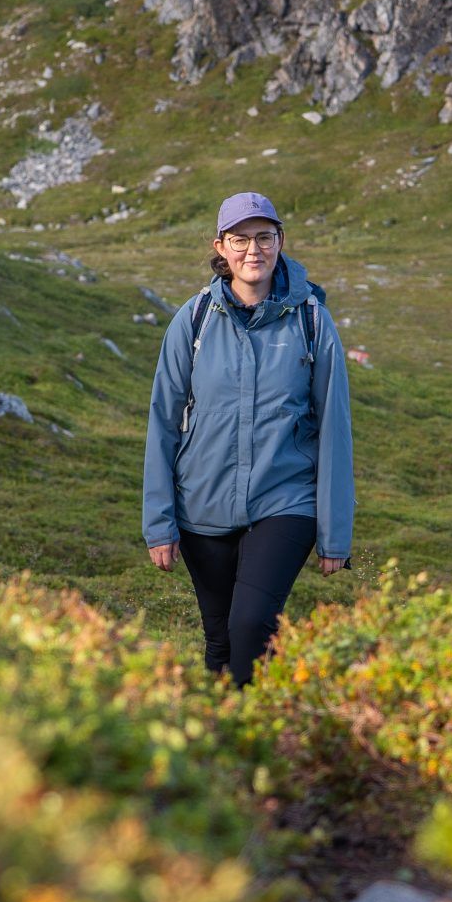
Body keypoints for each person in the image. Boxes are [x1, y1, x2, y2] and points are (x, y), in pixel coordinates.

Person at [142, 190, 354, 686]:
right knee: (219, 640)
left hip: (286, 501)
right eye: (240, 239)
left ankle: (258, 742)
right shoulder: (191, 321)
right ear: (221, 246)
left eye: (264, 237)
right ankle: (228, 738)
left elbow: (335, 430)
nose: (252, 250)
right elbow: (163, 422)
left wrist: (335, 532)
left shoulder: (312, 321)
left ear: (280, 241)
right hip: (202, 506)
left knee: (251, 624)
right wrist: (159, 522)